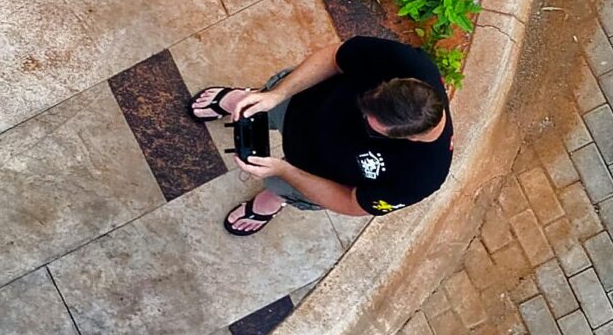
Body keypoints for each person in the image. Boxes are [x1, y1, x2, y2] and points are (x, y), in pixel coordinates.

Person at [188, 35, 453, 234]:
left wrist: (283, 171)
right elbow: (335, 58)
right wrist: (277, 94)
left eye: (371, 124)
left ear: (407, 137)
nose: (361, 114)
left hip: (314, 176)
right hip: (299, 103)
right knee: (254, 105)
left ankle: (277, 197)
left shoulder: (421, 177)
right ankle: (243, 98)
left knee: (285, 189)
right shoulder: (411, 64)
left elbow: (350, 203)